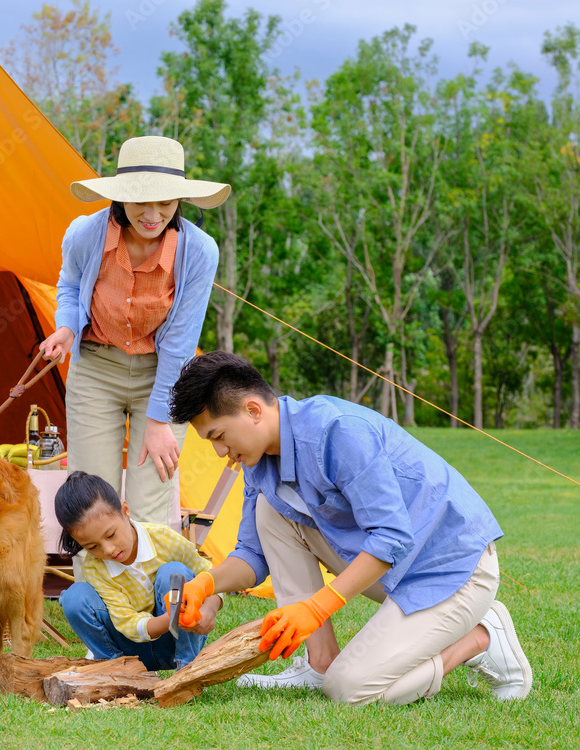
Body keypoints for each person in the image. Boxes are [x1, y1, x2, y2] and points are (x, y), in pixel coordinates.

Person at [166, 351, 532, 705]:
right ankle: (318, 662)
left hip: (452, 569)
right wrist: (207, 585)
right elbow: (253, 554)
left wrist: (314, 609)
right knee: (270, 511)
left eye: (218, 436)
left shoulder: (336, 431)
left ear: (253, 411)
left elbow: (391, 537)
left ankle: (480, 637)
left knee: (349, 689)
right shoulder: (258, 463)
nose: (219, 451)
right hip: (396, 569)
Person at [39, 136, 230, 526]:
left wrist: (160, 422)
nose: (153, 213)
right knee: (92, 495)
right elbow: (71, 286)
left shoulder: (199, 251)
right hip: (96, 369)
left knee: (153, 495)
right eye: (142, 200)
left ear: (180, 201)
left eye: (165, 201)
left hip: (163, 373)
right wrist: (66, 328)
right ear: (121, 196)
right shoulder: (84, 234)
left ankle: (154, 588)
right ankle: (95, 588)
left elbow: (180, 343)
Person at [55, 471, 222, 670]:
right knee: (74, 597)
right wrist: (171, 618)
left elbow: (213, 578)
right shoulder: (95, 567)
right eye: (92, 547)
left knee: (174, 571)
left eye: (111, 535)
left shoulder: (164, 539)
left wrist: (208, 610)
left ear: (125, 511)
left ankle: (187, 667)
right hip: (132, 650)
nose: (108, 550)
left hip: (178, 639)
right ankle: (116, 669)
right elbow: (126, 622)